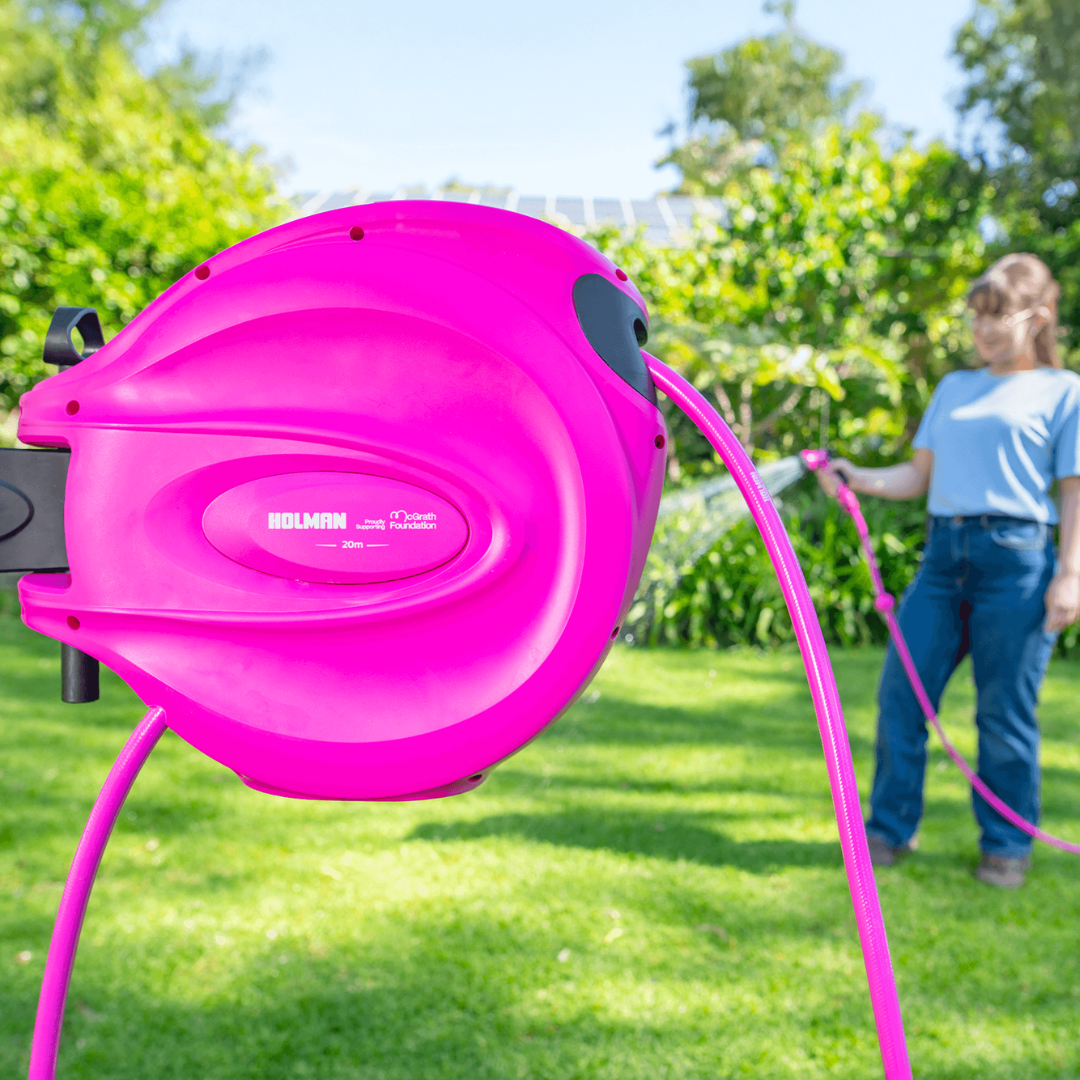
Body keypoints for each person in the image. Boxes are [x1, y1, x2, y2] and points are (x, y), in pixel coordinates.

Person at [815, 253, 1080, 889]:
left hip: (1017, 561)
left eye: (998, 316)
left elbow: (1073, 491)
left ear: (1040, 316)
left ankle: (1006, 846)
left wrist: (1071, 575)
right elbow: (919, 477)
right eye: (976, 317)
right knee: (900, 698)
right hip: (942, 560)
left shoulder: (1064, 391)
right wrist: (857, 477)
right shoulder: (954, 388)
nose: (983, 330)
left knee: (1003, 713)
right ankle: (888, 832)